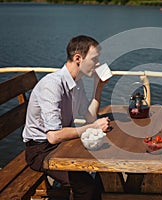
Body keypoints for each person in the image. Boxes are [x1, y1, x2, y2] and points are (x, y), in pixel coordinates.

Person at [22, 35, 111, 200]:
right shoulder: (52, 85)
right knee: (87, 187)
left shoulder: (77, 82)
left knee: (104, 168)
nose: (98, 64)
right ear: (78, 58)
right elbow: (54, 136)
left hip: (61, 145)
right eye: (94, 59)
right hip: (40, 150)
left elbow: (90, 116)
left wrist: (99, 88)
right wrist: (93, 127)